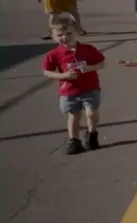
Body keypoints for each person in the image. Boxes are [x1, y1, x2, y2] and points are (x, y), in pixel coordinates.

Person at [41, 17, 106, 155]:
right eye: (60, 35)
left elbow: (102, 63)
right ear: (53, 37)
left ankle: (92, 134)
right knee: (74, 115)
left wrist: (89, 68)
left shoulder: (88, 49)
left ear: (75, 32)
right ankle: (74, 141)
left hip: (90, 88)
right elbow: (47, 72)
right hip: (69, 91)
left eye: (69, 33)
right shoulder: (54, 54)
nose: (65, 37)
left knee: (91, 113)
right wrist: (63, 76)